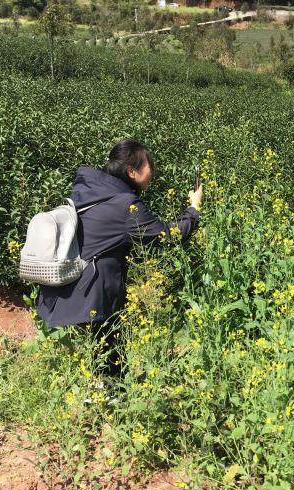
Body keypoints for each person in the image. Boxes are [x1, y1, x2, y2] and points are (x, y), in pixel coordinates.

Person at [36, 139, 203, 375]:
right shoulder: (124, 205)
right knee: (110, 357)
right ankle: (109, 402)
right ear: (132, 172)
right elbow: (167, 235)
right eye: (149, 166)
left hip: (74, 284)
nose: (152, 172)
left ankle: (103, 394)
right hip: (94, 292)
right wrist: (193, 210)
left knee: (103, 350)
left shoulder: (90, 191)